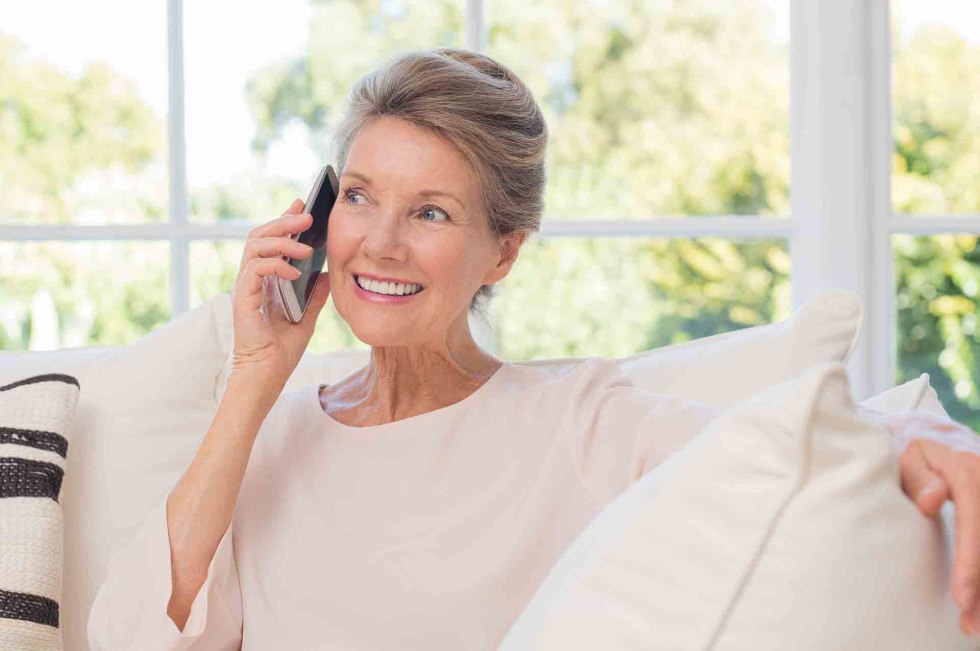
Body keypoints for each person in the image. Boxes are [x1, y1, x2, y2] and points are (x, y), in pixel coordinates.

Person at [87, 47, 980, 650]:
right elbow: (128, 634)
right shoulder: (268, 431)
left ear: (503, 251)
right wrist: (253, 376)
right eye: (358, 196)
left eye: (430, 211)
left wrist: (931, 445)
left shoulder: (581, 418)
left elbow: (790, 445)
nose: (381, 243)